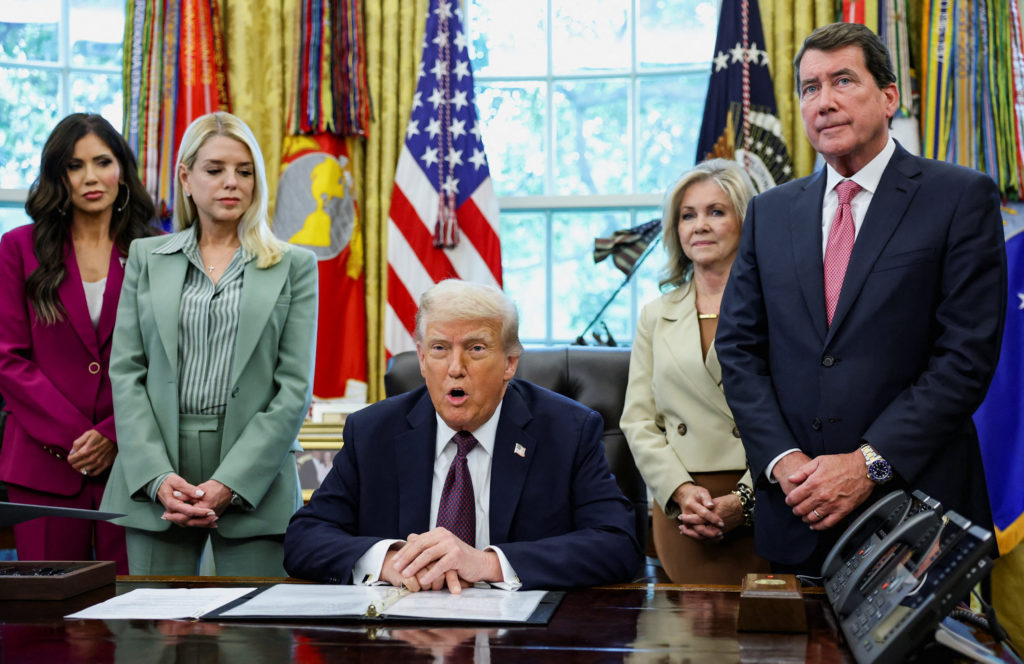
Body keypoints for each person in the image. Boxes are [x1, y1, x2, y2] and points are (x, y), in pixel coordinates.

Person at [716, 23, 1006, 575]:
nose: (824, 101)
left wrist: (868, 464)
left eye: (843, 81)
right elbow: (738, 351)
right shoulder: (770, 212)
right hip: (796, 512)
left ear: (888, 96)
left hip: (917, 516)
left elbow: (964, 359)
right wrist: (783, 461)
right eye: (810, 88)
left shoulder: (959, 197)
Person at [283, 279, 642, 591]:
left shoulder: (567, 431)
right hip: (404, 630)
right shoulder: (373, 432)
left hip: (520, 635)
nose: (456, 368)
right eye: (440, 349)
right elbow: (305, 538)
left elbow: (618, 544)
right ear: (421, 358)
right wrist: (390, 561)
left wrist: (487, 564)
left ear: (510, 362)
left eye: (476, 349)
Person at [100, 112, 318, 576]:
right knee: (153, 620)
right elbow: (127, 372)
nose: (231, 182)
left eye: (244, 171)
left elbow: (294, 389)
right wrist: (157, 477)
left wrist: (231, 482)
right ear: (186, 177)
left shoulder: (294, 265)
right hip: (157, 473)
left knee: (254, 623)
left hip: (256, 477)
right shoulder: (145, 257)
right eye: (215, 169)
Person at [0, 113, 158, 573]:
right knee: (46, 608)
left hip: (136, 464)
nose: (90, 177)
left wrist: (113, 433)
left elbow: (169, 361)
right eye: (74, 165)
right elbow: (8, 359)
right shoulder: (18, 248)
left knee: (134, 605)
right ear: (58, 176)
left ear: (122, 170)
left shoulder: (158, 250)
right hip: (43, 465)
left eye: (102, 162)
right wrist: (80, 437)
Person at [621, 159, 769, 584]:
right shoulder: (654, 315)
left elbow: (799, 418)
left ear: (745, 221)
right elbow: (638, 421)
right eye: (688, 215)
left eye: (716, 212)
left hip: (764, 500)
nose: (699, 225)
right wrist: (680, 492)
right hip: (681, 509)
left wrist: (745, 501)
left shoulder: (780, 308)